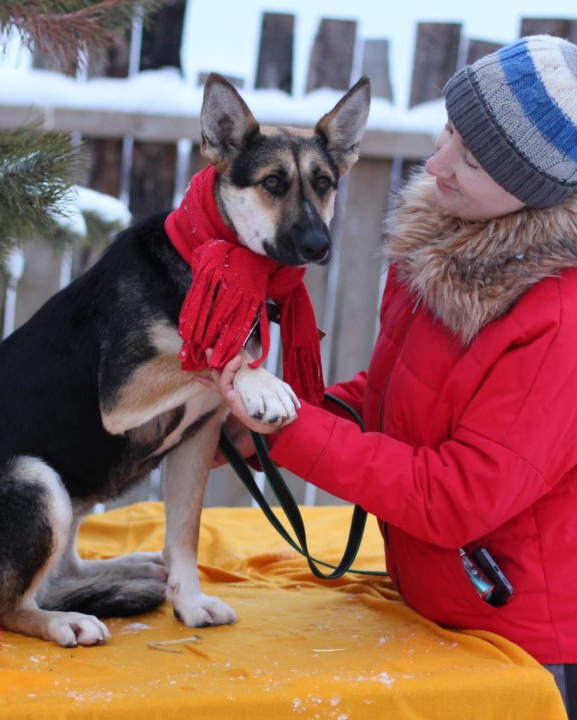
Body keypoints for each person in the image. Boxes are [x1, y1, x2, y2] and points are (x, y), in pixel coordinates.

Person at [201, 34, 577, 717]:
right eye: (450, 132)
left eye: (470, 157)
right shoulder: (447, 248)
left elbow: (457, 498)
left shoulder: (559, 320)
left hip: (525, 654)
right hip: (439, 611)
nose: (436, 162)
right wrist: (279, 415)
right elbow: (393, 402)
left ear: (529, 188)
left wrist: (295, 431)